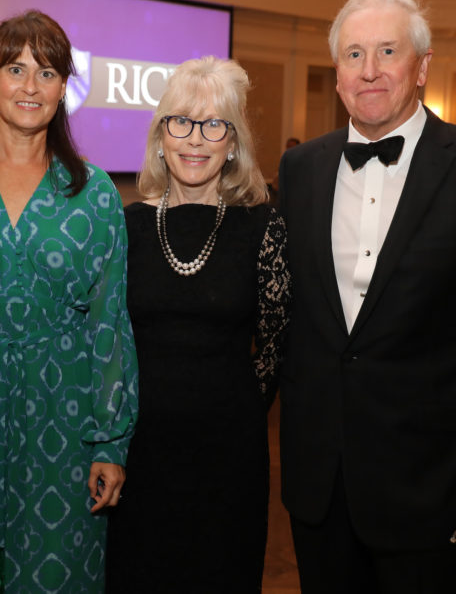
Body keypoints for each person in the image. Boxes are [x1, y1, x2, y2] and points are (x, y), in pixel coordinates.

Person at [276, 0, 456, 593]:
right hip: (320, 479)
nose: (369, 70)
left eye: (388, 51)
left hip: (434, 481)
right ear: (337, 71)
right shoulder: (301, 170)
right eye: (353, 54)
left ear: (421, 66)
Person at [0, 10, 138, 592]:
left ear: (65, 88)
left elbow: (109, 322)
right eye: (15, 68)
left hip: (61, 410)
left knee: (56, 567)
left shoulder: (94, 194)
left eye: (46, 73)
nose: (29, 86)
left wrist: (110, 441)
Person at [104, 56, 291, 592]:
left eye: (214, 125)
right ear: (161, 137)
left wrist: (229, 405)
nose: (195, 138)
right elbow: (109, 338)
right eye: (180, 122)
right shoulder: (128, 225)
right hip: (139, 452)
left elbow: (276, 343)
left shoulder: (263, 226)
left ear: (232, 143)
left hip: (228, 453)